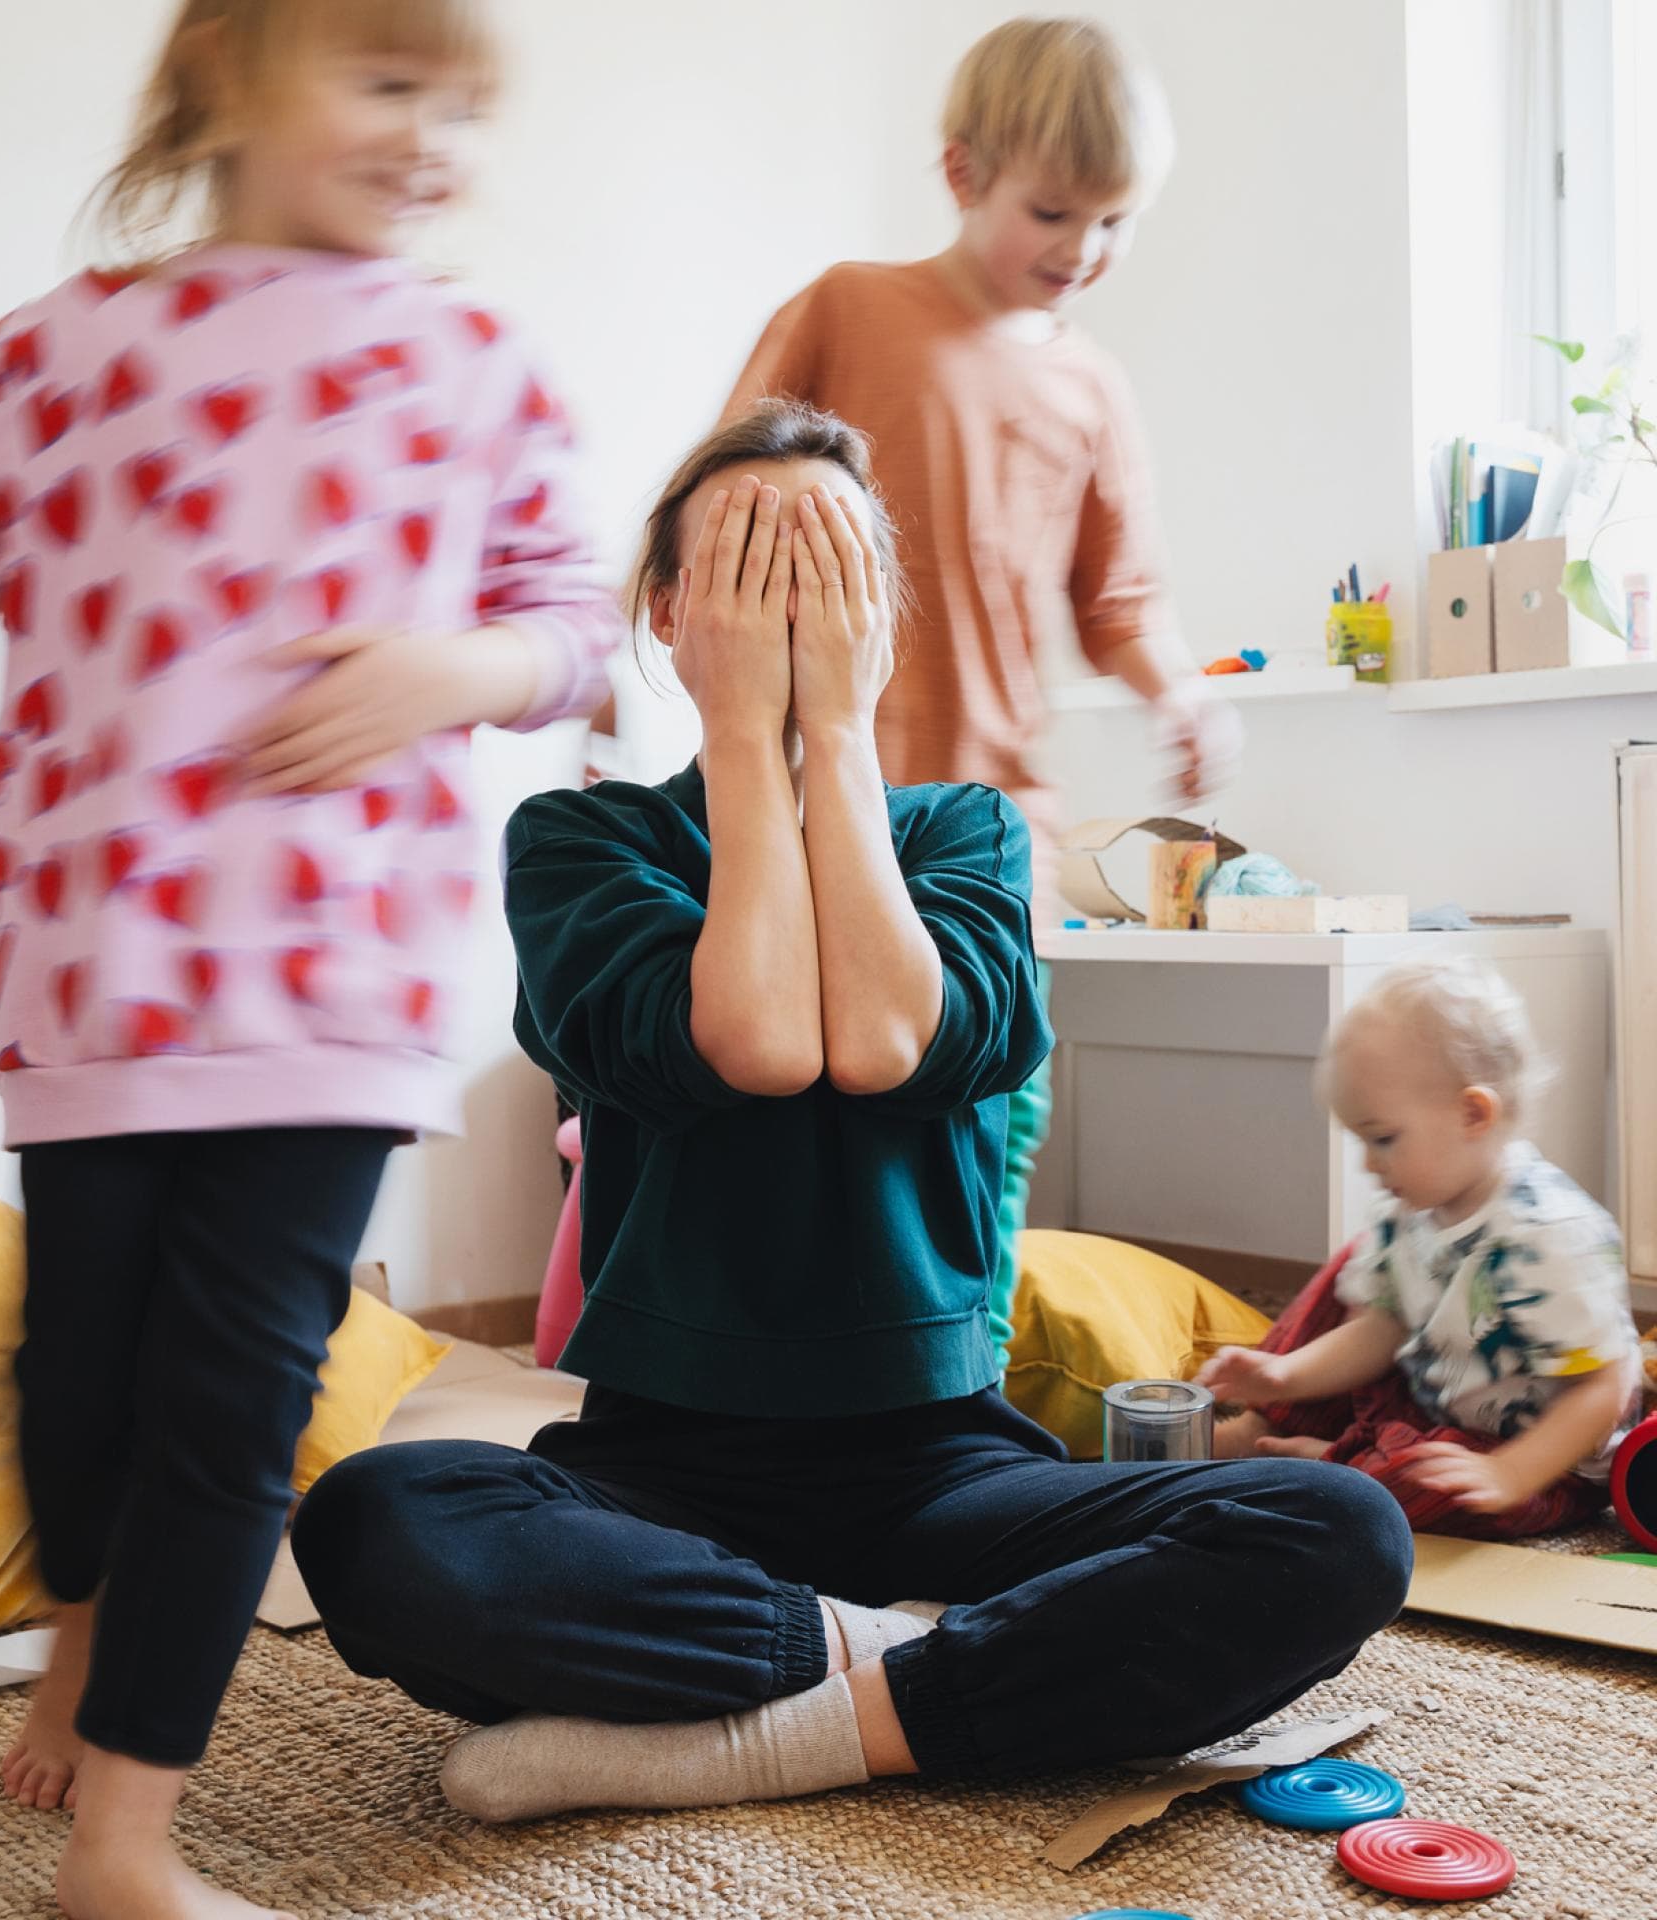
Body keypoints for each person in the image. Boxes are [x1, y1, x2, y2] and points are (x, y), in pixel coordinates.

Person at [0, 2, 617, 1911]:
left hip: (337, 996)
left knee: (231, 1408)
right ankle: (81, 1625)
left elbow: (575, 621)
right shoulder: (65, 350)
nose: (432, 137)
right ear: (226, 71)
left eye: (461, 104)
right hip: (96, 987)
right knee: (73, 1389)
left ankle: (125, 1842)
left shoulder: (475, 358)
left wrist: (449, 668)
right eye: (386, 81)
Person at [290, 402, 1410, 1825]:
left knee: (1338, 1528)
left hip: (942, 1468)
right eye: (748, 568)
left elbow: (882, 1041)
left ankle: (784, 1721)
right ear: (670, 613)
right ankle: (923, 1669)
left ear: (878, 618)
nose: (788, 606)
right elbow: (760, 1040)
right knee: (377, 1522)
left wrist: (832, 726)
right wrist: (744, 733)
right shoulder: (584, 841)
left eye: (826, 572)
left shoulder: (965, 833)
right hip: (657, 1471)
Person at [712, 17, 1242, 1370]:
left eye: (1116, 220)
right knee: (811, 1123)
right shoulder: (849, 309)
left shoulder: (1092, 389)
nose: (1085, 249)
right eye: (1053, 212)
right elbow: (725, 490)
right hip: (818, 804)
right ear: (962, 173)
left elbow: (1120, 601)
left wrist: (1179, 695)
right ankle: (803, 1389)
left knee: (995, 1117)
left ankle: (971, 1385)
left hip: (997, 824)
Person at [1205, 958, 1642, 1540]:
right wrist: (1283, 1375)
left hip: (1536, 1456)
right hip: (1429, 1397)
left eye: (1383, 1138)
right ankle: (1266, 1427)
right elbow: (1382, 1328)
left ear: (1472, 1114)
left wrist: (1509, 1473)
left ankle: (1334, 1465)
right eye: (1361, 1140)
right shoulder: (1408, 1209)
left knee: (1421, 1488)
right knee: (1353, 1270)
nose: (1368, 1163)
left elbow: (1604, 1389)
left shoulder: (1547, 1234)